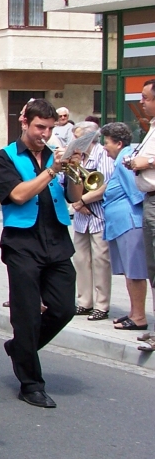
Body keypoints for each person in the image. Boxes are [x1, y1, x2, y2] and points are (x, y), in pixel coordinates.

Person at [0, 98, 83, 409]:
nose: (45, 134)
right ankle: (31, 384)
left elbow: (73, 196)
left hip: (56, 239)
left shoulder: (55, 154)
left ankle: (21, 349)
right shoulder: (5, 157)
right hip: (22, 242)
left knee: (64, 309)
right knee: (27, 316)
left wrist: (72, 169)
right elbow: (17, 195)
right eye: (39, 127)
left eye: (49, 128)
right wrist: (51, 171)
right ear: (24, 122)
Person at [100, 122, 148, 331]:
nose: (104, 147)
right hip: (122, 224)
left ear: (119, 143)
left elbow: (137, 192)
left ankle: (139, 317)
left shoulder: (124, 160)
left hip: (130, 223)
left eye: (107, 142)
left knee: (135, 272)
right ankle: (133, 312)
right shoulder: (121, 159)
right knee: (129, 272)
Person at [69, 121, 114, 321]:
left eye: (78, 137)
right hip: (81, 218)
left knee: (100, 260)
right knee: (81, 260)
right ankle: (84, 302)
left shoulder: (102, 154)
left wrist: (81, 201)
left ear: (89, 138)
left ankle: (102, 304)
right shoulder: (77, 156)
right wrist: (76, 202)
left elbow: (106, 184)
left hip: (98, 215)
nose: (74, 141)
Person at [126, 80, 155, 338]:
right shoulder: (151, 127)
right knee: (152, 269)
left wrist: (147, 162)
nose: (141, 102)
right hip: (149, 199)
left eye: (145, 98)